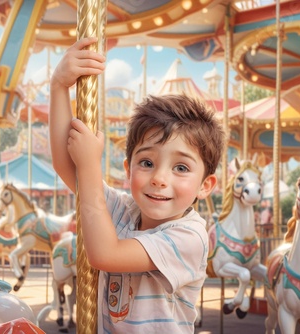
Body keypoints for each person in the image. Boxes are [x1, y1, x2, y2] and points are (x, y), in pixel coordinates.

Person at [49, 37, 225, 333]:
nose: (159, 178)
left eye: (180, 167)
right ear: (128, 169)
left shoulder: (189, 236)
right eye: (147, 163)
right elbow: (67, 165)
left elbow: (106, 254)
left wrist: (91, 165)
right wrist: (58, 87)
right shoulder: (123, 211)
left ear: (205, 186)